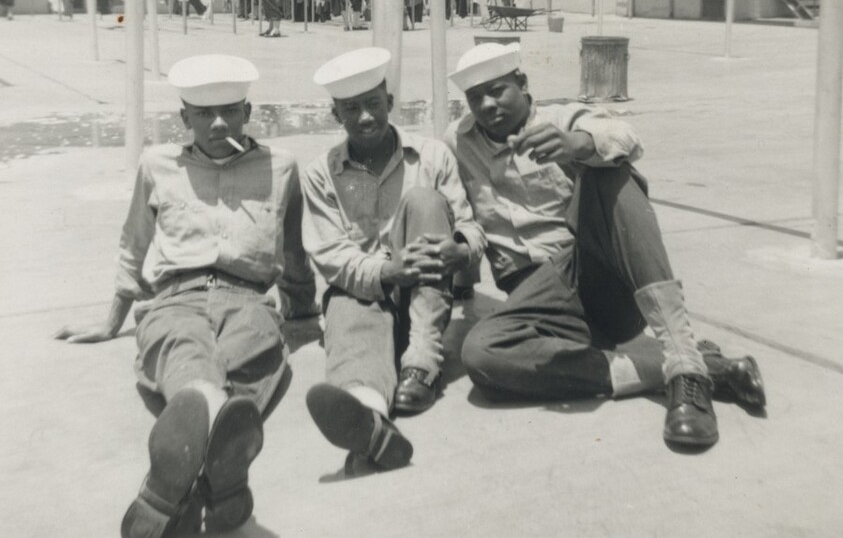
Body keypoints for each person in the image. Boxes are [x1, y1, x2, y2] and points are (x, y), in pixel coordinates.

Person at [445, 42, 766, 450]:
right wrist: (459, 274)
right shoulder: (459, 140)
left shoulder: (561, 118)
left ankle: (686, 367)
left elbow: (624, 136)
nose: (488, 105)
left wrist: (577, 145)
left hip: (592, 274)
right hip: (534, 297)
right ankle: (696, 369)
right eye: (476, 97)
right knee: (482, 353)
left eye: (497, 90)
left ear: (522, 83)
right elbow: (455, 208)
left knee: (611, 173)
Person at [55, 54, 317, 536]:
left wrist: (304, 312)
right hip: (176, 296)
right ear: (184, 118)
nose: (218, 124)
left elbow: (295, 248)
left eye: (230, 111)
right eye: (203, 114)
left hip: (249, 298)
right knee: (186, 348)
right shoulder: (157, 165)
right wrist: (112, 319)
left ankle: (179, 480)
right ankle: (219, 472)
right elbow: (134, 242)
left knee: (254, 350)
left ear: (247, 111)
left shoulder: (281, 168)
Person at [301, 47, 484, 473]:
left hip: (427, 296)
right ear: (336, 116)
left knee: (423, 199)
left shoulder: (432, 155)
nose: (365, 117)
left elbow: (471, 227)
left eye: (372, 104)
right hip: (365, 296)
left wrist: (462, 248)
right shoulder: (320, 173)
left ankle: (422, 365)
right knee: (347, 306)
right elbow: (331, 256)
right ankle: (369, 420)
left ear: (390, 102)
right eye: (351, 109)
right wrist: (386, 271)